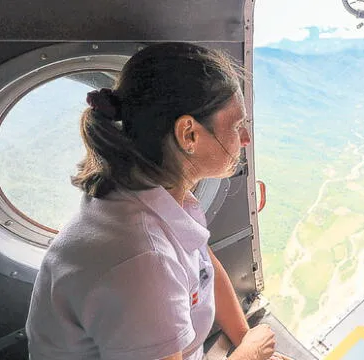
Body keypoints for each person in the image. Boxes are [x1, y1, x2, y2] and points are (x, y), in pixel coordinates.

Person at [25, 43, 282, 360]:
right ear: (188, 134)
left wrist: (244, 337)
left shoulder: (151, 192)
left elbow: (203, 264)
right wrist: (251, 354)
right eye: (236, 125)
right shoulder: (142, 261)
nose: (245, 139)